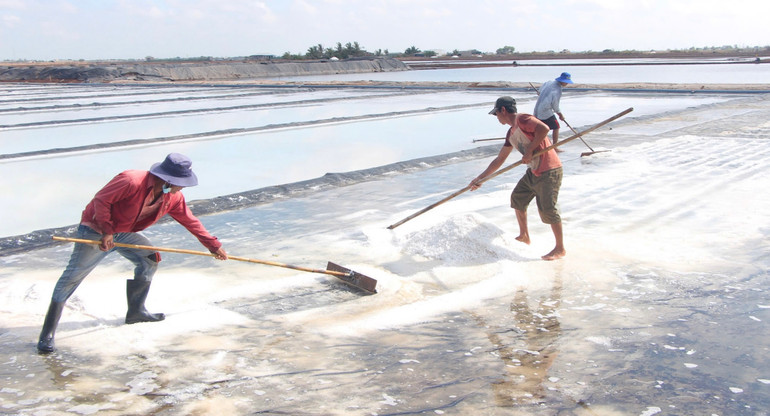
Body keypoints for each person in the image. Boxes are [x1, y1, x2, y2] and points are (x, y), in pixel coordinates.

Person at [37, 153, 228, 354]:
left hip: (124, 233)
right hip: (96, 230)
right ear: (167, 179)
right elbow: (101, 201)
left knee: (149, 258)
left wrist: (212, 245)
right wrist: (107, 231)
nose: (182, 188)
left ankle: (136, 311)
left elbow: (189, 220)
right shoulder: (131, 180)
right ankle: (47, 335)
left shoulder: (172, 197)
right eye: (180, 183)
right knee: (72, 277)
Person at [469, 96, 566, 261]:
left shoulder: (523, 119)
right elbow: (500, 159)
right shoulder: (511, 132)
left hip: (549, 170)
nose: (497, 118)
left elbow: (544, 128)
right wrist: (480, 178)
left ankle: (560, 248)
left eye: (496, 114)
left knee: (548, 209)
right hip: (534, 170)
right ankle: (524, 235)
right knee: (518, 198)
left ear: (503, 110)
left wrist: (529, 152)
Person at [533, 72, 573, 149]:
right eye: (566, 82)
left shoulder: (548, 82)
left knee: (541, 129)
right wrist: (560, 114)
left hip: (537, 109)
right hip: (545, 111)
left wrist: (540, 93)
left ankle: (540, 146)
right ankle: (555, 147)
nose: (567, 84)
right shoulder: (557, 89)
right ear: (562, 80)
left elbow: (539, 92)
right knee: (556, 127)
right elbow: (555, 104)